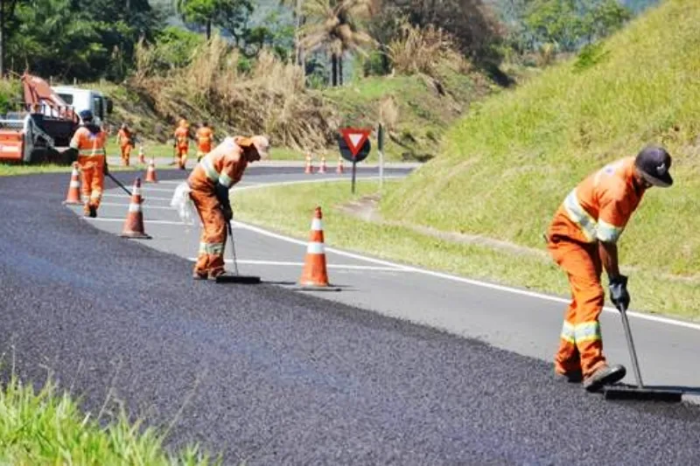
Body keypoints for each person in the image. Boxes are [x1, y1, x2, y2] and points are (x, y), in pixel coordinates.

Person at [545, 146, 673, 392]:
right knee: (592, 294)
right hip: (569, 237)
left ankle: (567, 362)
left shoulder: (633, 175)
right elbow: (607, 241)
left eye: (653, 182)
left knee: (581, 300)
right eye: (647, 181)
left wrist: (616, 278)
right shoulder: (618, 190)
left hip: (588, 237)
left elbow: (605, 237)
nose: (649, 186)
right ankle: (592, 366)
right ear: (638, 170)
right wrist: (615, 281)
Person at [187, 135, 270, 280]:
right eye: (258, 155)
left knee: (211, 227)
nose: (258, 159)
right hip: (203, 187)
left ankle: (202, 268)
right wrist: (227, 208)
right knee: (217, 226)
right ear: (251, 148)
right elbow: (222, 187)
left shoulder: (239, 147)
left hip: (206, 185)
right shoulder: (234, 158)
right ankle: (215, 268)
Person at [70, 110, 108, 218]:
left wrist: (74, 160)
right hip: (98, 165)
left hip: (85, 164)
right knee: (97, 187)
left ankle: (87, 208)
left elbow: (73, 148)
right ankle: (93, 204)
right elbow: (103, 150)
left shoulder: (80, 131)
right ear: (91, 118)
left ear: (82, 119)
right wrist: (106, 165)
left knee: (86, 188)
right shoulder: (100, 131)